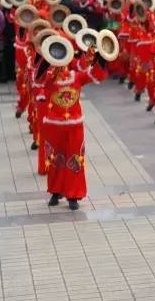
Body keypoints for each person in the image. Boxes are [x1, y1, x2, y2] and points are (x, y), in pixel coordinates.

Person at [41, 52, 109, 210]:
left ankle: (73, 195)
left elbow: (95, 75)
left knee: (75, 159)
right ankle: (55, 191)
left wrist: (102, 59)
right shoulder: (49, 76)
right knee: (54, 158)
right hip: (54, 125)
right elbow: (42, 83)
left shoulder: (76, 77)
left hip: (75, 126)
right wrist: (49, 64)